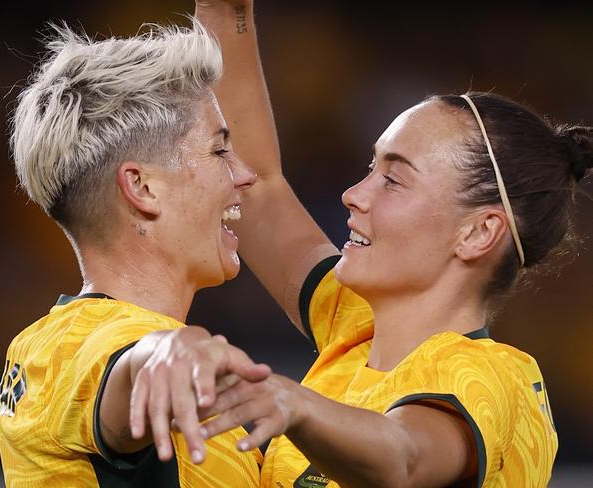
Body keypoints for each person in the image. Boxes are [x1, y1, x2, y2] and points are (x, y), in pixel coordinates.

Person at [186, 1, 593, 486]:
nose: (353, 195)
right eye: (369, 169)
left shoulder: (498, 376)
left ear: (478, 233)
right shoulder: (353, 327)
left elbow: (403, 458)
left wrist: (292, 402)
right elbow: (260, 185)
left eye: (394, 180)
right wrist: (224, 10)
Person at [0, 20, 272, 487]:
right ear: (142, 187)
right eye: (220, 150)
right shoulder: (61, 349)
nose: (244, 174)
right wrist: (167, 351)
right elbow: (125, 366)